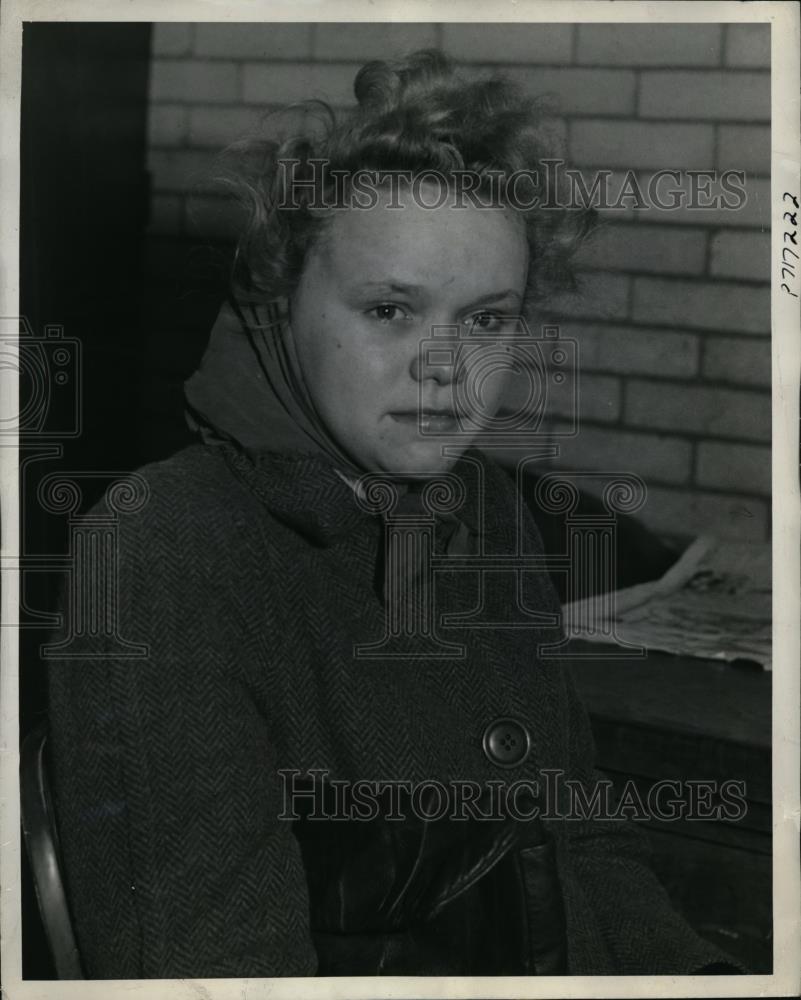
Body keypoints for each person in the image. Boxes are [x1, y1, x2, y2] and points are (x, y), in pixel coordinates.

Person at [47, 50, 741, 978]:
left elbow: (579, 849)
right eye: (388, 309)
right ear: (278, 299)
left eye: (487, 320)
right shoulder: (163, 549)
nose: (447, 368)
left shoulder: (481, 503)